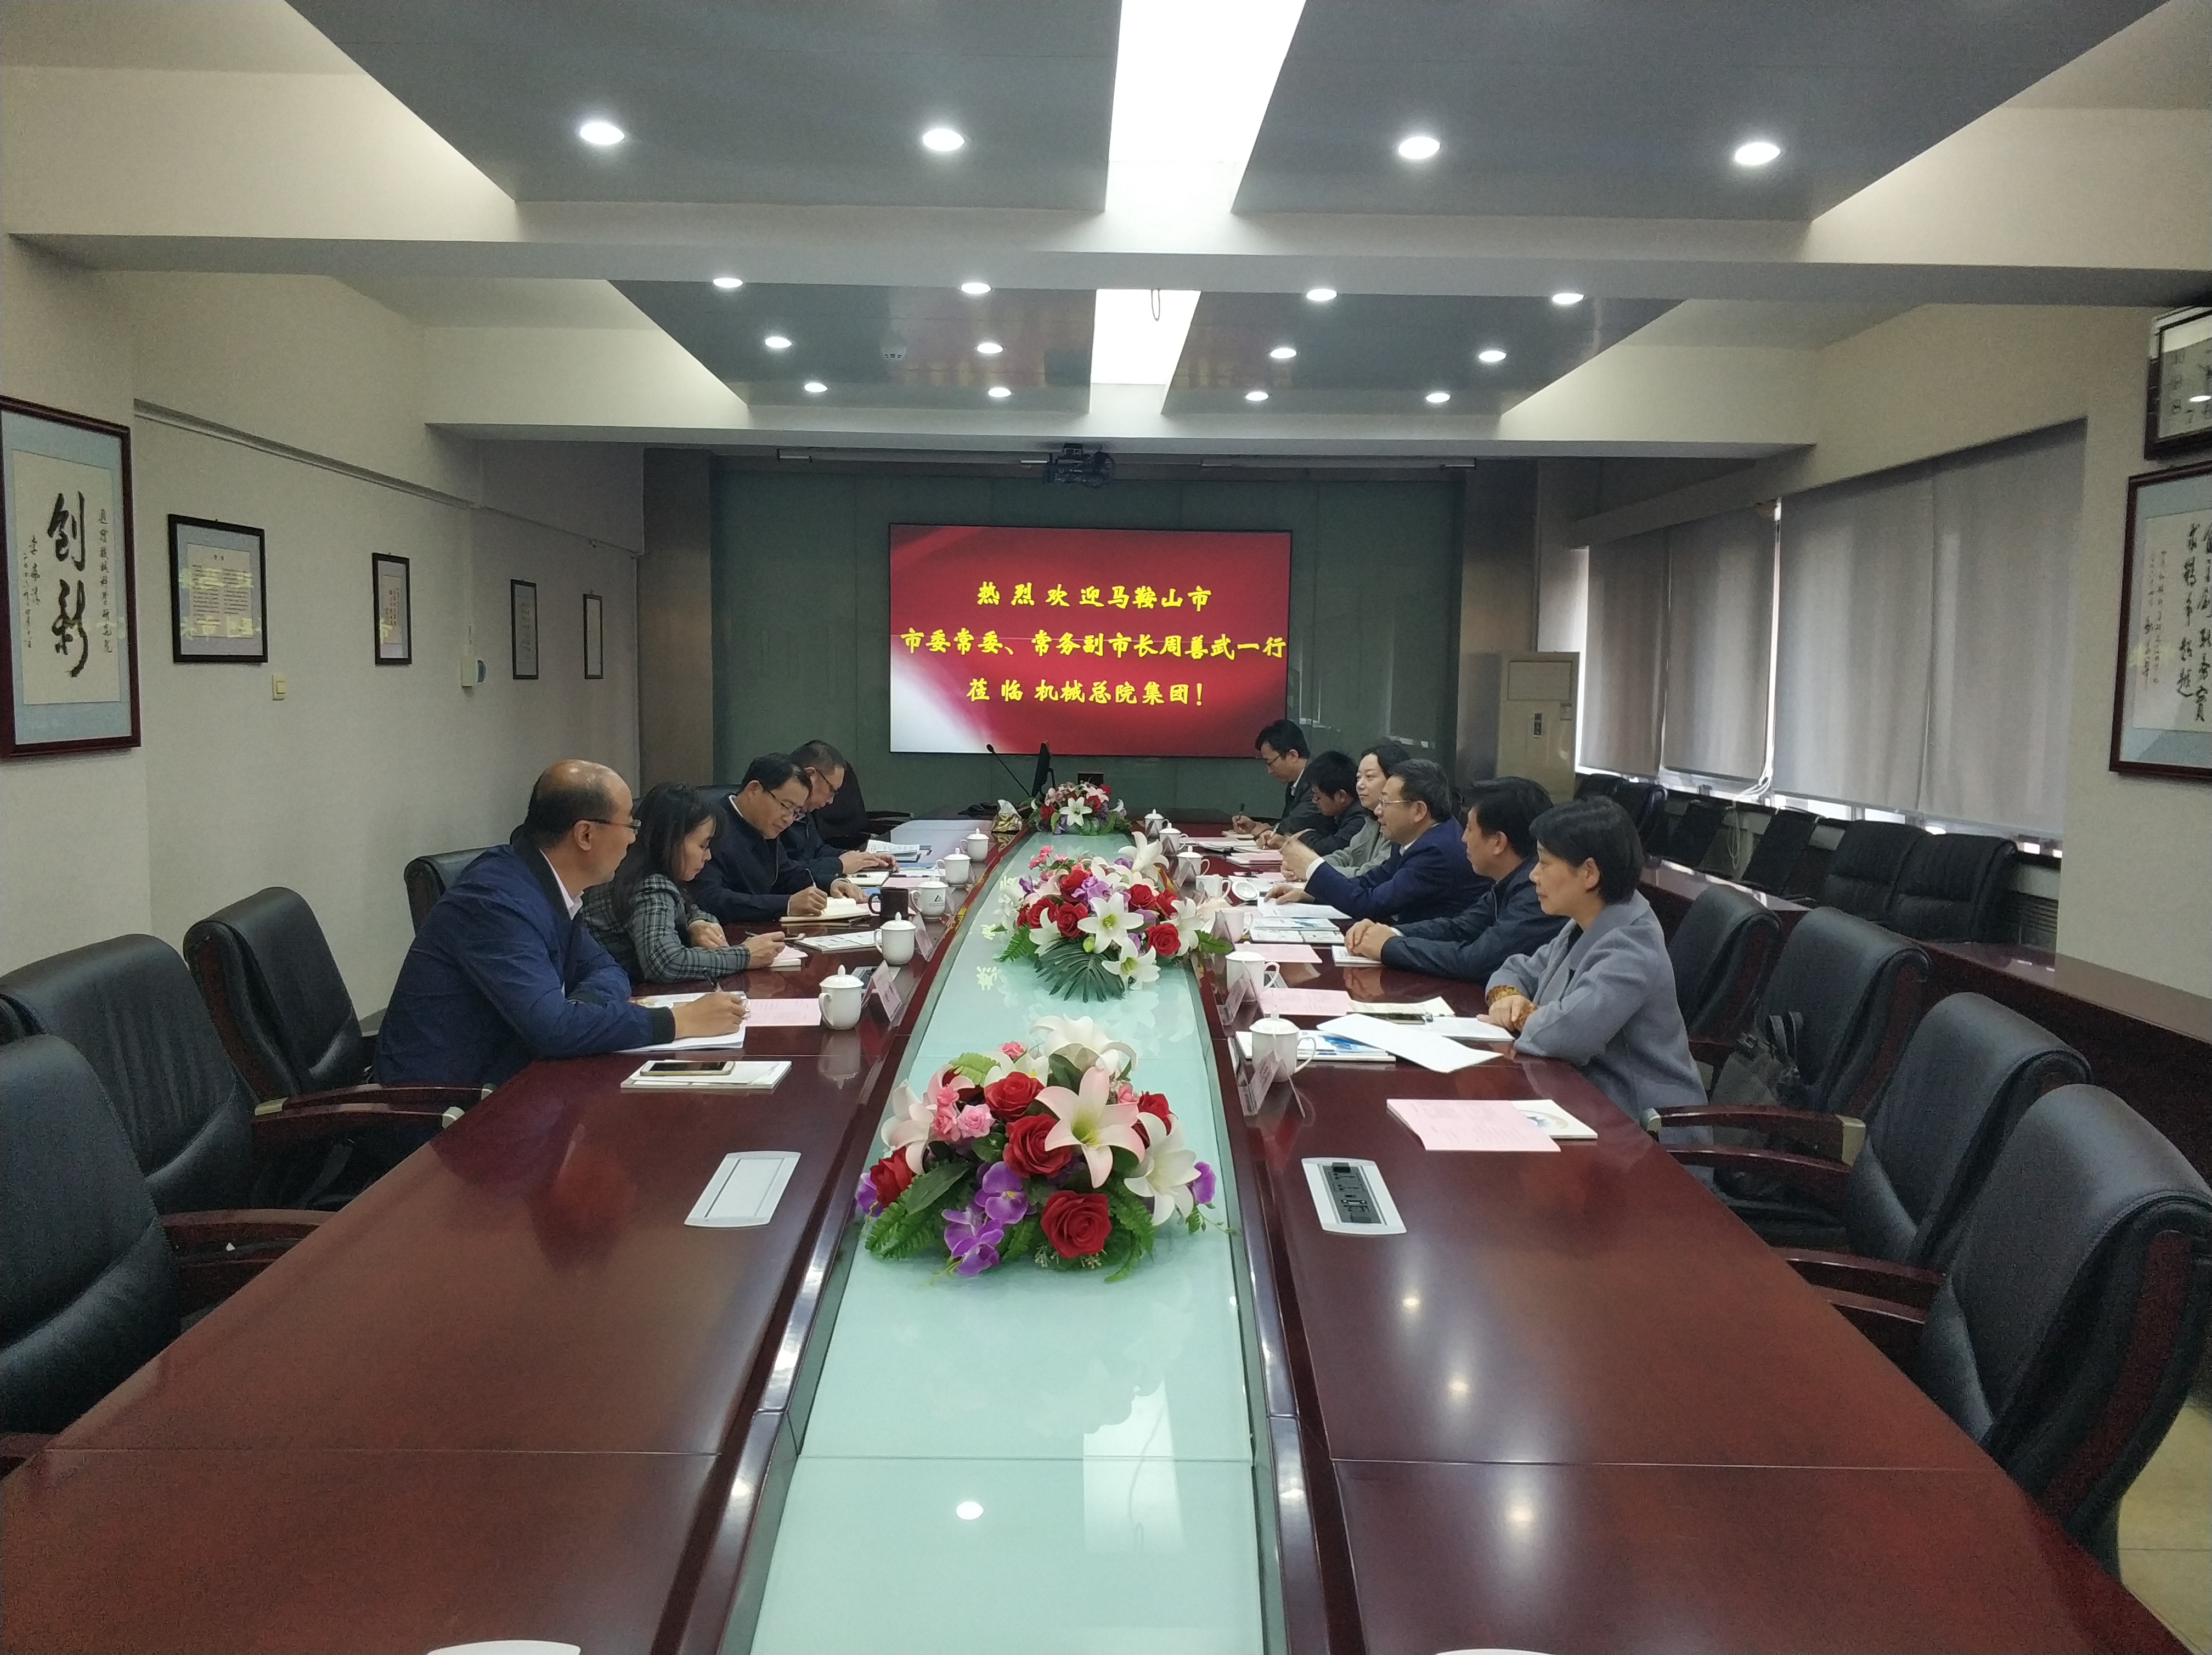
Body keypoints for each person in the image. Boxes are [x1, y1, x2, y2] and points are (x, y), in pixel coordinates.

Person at [376, 761, 746, 1089]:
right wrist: (676, 1021)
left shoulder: (547, 885)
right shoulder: (497, 901)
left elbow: (607, 970)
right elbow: (554, 1030)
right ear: (585, 834)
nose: (634, 838)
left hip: (520, 1074)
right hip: (445, 1104)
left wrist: (579, 1013)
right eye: (630, 825)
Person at [1481, 795, 1703, 1125]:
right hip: (1584, 1097)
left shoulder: (1632, 946)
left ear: (1589, 873)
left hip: (1643, 1127)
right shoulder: (1588, 921)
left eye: (1545, 863)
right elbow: (1518, 969)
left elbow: (1570, 1034)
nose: (1533, 876)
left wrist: (1517, 1016)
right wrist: (1507, 997)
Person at [1344, 776, 1560, 980]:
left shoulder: (1537, 893)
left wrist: (1388, 946)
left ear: (1498, 842)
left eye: (1469, 829)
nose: (1463, 839)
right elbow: (1460, 928)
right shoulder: (1508, 882)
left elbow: (1474, 961)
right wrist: (1389, 932)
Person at [583, 781, 789, 984]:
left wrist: (696, 923)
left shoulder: (635, 870)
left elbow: (689, 907)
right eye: (703, 845)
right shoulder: (651, 887)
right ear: (671, 840)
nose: (708, 856)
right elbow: (665, 962)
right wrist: (745, 955)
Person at [1279, 758, 1481, 924]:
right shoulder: (1414, 837)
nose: (1378, 810)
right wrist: (1312, 893)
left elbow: (1371, 904)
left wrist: (1313, 866)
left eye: (1385, 802)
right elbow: (1370, 882)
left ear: (1419, 810)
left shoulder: (1437, 851)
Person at [693, 753, 864, 925]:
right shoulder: (710, 825)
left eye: (796, 812)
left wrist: (830, 884)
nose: (789, 819)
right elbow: (712, 898)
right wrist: (786, 904)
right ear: (754, 789)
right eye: (786, 806)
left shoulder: (764, 826)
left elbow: (785, 873)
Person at [785, 740, 896, 883]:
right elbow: (787, 873)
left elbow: (818, 850)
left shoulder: (803, 813)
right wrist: (840, 865)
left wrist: (863, 859)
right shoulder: (778, 817)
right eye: (832, 791)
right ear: (811, 775)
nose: (831, 801)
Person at [1231, 719, 1330, 843]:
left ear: (1292, 756)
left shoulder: (1318, 780)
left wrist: (1269, 831)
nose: (1269, 771)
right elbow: (1289, 820)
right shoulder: (1295, 782)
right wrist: (1256, 826)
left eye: (1270, 763)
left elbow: (1298, 824)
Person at [1319, 740, 1408, 876]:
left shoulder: (1401, 826)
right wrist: (1310, 865)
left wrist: (1316, 871)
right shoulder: (1372, 820)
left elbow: (1371, 875)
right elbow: (1348, 856)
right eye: (1359, 777)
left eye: (1369, 777)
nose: (1360, 785)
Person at [1274, 749, 1365, 857]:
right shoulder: (1335, 814)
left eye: (1318, 797)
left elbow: (1326, 849)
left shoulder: (1360, 818)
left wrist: (1304, 836)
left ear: (1341, 796)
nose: (1314, 801)